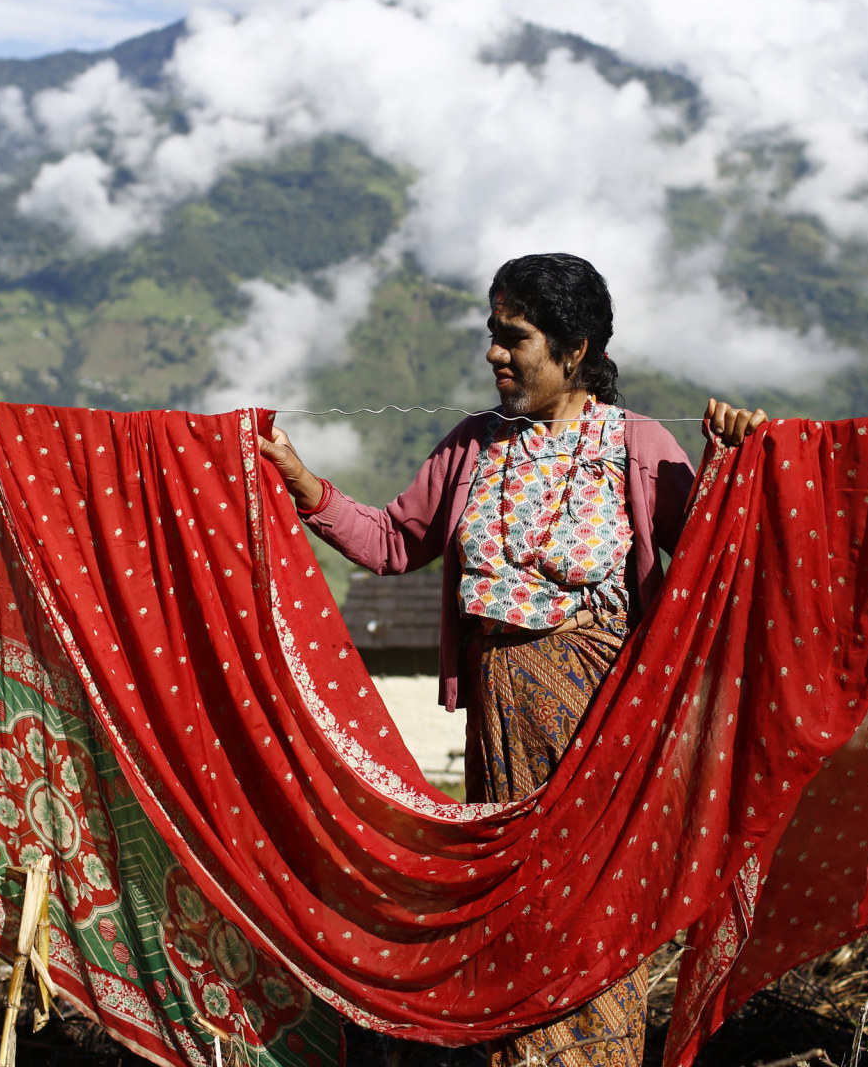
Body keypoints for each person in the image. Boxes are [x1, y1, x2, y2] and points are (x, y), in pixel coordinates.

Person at [257, 252, 765, 1067]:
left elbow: (716, 557)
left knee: (593, 912)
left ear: (575, 349)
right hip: (504, 733)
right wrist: (299, 480)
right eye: (492, 334)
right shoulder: (472, 449)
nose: (494, 354)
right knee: (522, 915)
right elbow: (393, 542)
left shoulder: (638, 447)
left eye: (514, 337)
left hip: (601, 733)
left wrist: (733, 464)